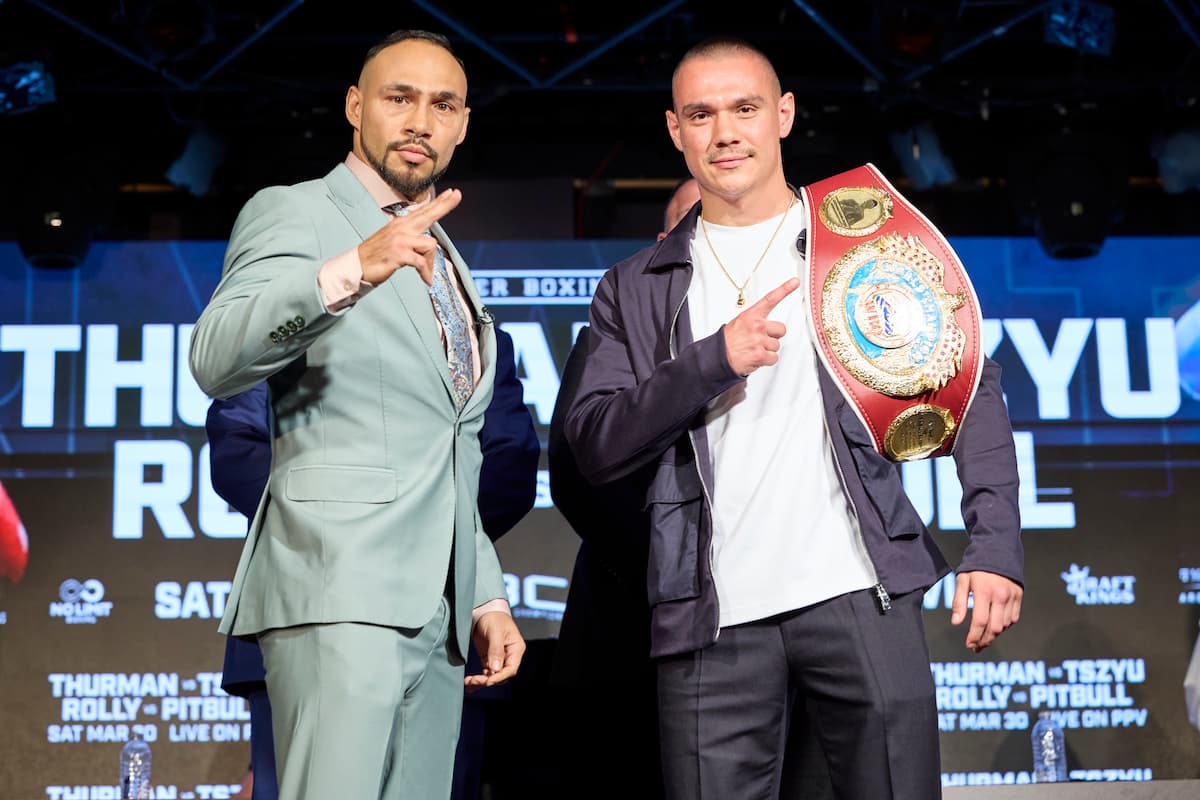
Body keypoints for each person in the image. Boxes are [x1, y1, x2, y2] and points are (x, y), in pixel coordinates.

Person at [563, 37, 1023, 800]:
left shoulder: (865, 238)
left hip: (858, 590)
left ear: (783, 115)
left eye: (744, 108)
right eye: (701, 114)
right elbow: (596, 443)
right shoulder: (635, 287)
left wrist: (996, 544)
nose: (725, 132)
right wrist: (713, 360)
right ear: (676, 131)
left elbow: (967, 387)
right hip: (712, 617)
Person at [189, 29, 526, 800]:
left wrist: (484, 594)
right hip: (336, 591)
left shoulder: (449, 259)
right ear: (354, 107)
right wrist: (346, 273)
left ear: (463, 123)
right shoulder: (297, 214)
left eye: (441, 104)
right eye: (398, 97)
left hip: (437, 617)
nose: (420, 120)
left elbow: (448, 449)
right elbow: (216, 358)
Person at [209, 327, 539, 800]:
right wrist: (350, 529)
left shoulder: (466, 329)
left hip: (446, 625)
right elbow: (237, 445)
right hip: (308, 605)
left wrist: (419, 530)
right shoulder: (292, 316)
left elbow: (511, 462)